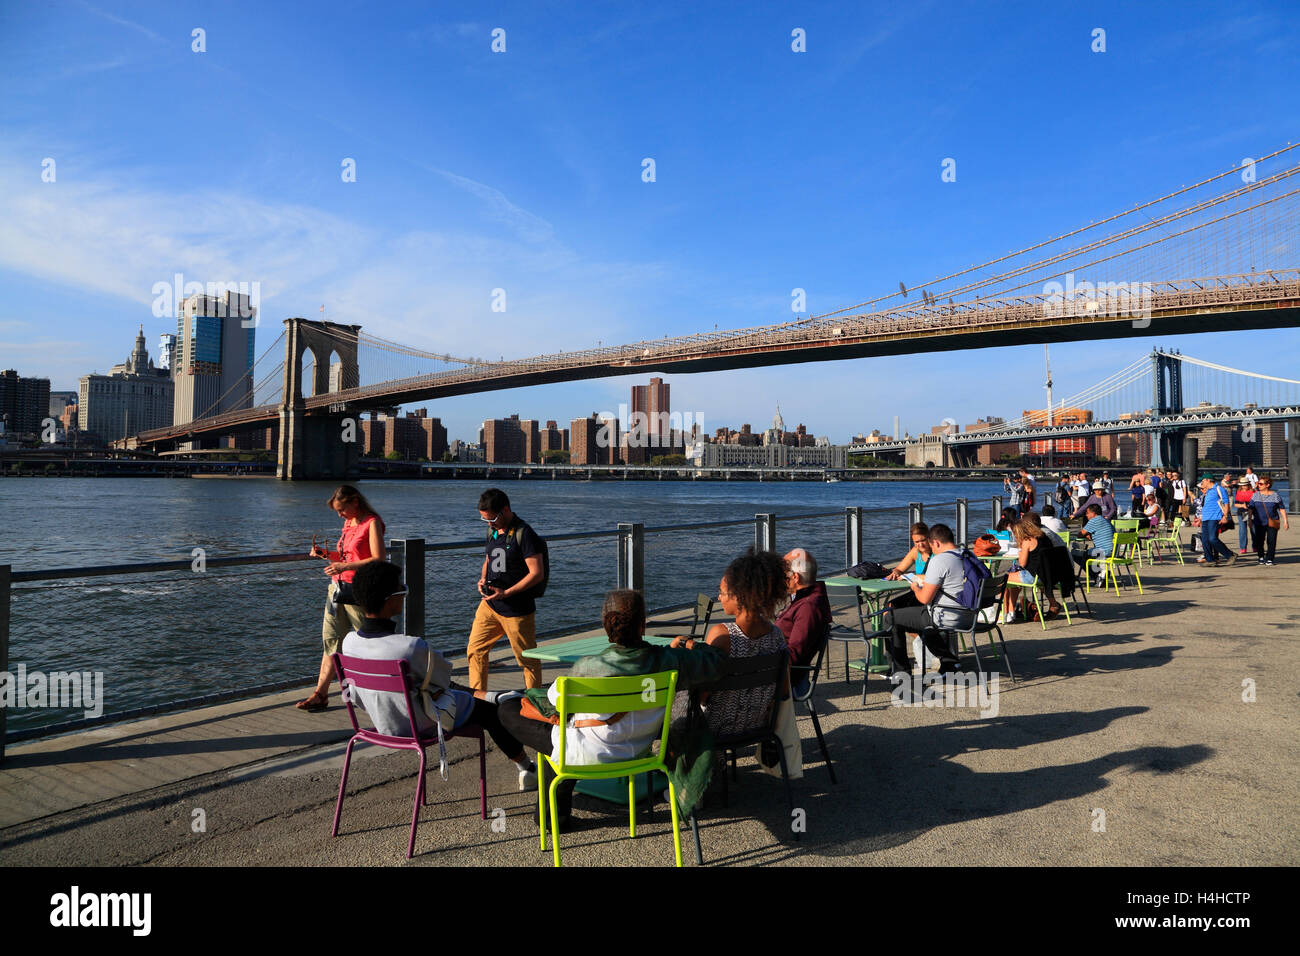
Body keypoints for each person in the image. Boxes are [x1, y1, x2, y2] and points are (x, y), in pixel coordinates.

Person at [496, 589, 723, 831]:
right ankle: (552, 817)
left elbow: (554, 701)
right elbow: (715, 662)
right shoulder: (669, 660)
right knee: (561, 734)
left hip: (587, 752)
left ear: (606, 627)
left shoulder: (587, 667)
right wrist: (689, 646)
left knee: (509, 710)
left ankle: (553, 818)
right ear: (643, 624)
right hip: (641, 752)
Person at [340, 561, 537, 788]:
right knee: (491, 712)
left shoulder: (349, 642)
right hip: (419, 723)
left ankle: (489, 695)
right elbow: (443, 681)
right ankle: (526, 768)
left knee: (442, 688)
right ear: (390, 599)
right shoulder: (410, 647)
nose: (404, 595)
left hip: (381, 723)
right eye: (401, 589)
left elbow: (353, 694)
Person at [299, 485, 386, 712]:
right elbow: (347, 557)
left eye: (342, 509)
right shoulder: (348, 524)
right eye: (338, 511)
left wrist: (343, 565)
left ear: (355, 501)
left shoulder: (372, 523)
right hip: (337, 589)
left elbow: (378, 559)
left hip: (360, 590)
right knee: (331, 640)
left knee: (367, 643)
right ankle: (321, 694)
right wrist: (326, 555)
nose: (340, 515)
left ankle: (380, 692)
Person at [689, 548, 790, 739]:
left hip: (714, 728)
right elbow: (783, 692)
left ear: (739, 596)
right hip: (758, 727)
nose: (719, 597)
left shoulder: (723, 635)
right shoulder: (777, 636)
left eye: (722, 592)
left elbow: (702, 693)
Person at [466, 488, 545, 691]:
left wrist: (507, 593)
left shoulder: (524, 533)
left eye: (492, 518)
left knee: (527, 660)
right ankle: (477, 701)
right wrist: (483, 578)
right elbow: (488, 559)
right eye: (484, 520)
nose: (489, 523)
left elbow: (537, 573)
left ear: (506, 510)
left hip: (516, 610)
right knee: (475, 651)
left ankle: (535, 701)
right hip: (490, 605)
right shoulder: (492, 531)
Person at [886, 524, 971, 674]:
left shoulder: (939, 560)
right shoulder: (967, 554)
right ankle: (949, 662)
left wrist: (915, 588)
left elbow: (924, 598)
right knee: (902, 613)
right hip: (970, 615)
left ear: (935, 543)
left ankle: (900, 673)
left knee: (890, 617)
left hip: (945, 614)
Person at [776, 548, 832, 686]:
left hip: (783, 678)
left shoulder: (808, 607)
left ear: (795, 577)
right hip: (777, 666)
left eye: (783, 575)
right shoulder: (803, 600)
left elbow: (795, 654)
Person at [1005, 517, 1062, 621]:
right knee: (1013, 580)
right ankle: (1011, 612)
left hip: (1035, 576)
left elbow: (1022, 563)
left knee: (1005, 579)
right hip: (1048, 574)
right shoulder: (1044, 537)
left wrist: (1021, 551)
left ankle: (1008, 613)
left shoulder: (1027, 541)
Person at [1196, 476, 1236, 566]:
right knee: (1205, 540)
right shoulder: (1208, 491)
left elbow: (1226, 503)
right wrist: (1201, 518)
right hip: (1205, 518)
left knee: (1213, 539)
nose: (1202, 483)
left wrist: (1225, 516)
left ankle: (1230, 555)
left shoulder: (1219, 489)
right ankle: (1210, 560)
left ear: (1208, 480)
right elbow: (1207, 506)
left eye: (1203, 481)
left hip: (1215, 517)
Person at [1248, 476, 1288, 566]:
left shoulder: (1275, 495)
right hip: (1259, 522)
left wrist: (1285, 521)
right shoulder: (1255, 495)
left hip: (1272, 522)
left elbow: (1281, 508)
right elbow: (1250, 508)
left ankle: (1270, 558)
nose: (1259, 485)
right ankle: (1261, 557)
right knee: (1259, 541)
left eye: (1261, 484)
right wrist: (1249, 520)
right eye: (1258, 484)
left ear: (1268, 485)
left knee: (1271, 541)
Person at [1072, 504, 1115, 586]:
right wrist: (1091, 535)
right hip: (1113, 551)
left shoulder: (1094, 520)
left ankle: (1097, 576)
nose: (1086, 515)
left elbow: (1080, 534)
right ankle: (1100, 574)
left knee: (1076, 554)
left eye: (1087, 513)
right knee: (1087, 554)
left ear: (1093, 513)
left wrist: (1086, 534)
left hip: (1102, 551)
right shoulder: (1106, 520)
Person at [1233, 477, 1254, 554]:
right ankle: (1243, 547)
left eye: (1245, 485)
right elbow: (1235, 504)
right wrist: (1242, 506)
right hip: (1241, 512)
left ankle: (1255, 545)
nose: (1244, 486)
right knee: (1242, 530)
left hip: (1252, 512)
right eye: (1242, 485)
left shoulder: (1253, 491)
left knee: (1253, 529)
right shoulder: (1238, 492)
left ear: (1248, 484)